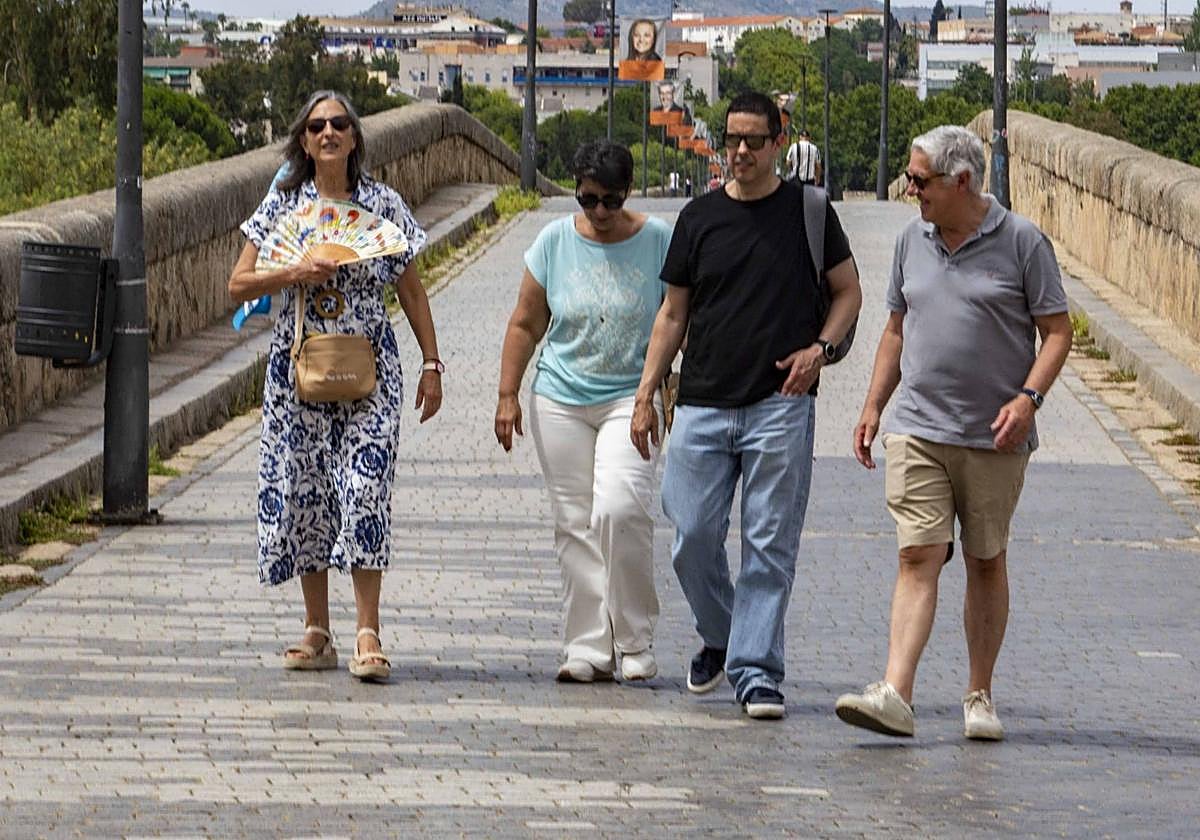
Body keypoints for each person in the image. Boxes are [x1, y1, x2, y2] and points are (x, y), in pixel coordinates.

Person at [835, 125, 1072, 740]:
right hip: (918, 424)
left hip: (994, 435)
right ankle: (896, 692)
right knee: (917, 553)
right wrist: (871, 406)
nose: (909, 190)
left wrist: (1029, 400)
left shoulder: (1022, 242)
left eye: (919, 180)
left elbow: (1057, 332)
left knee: (984, 559)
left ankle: (979, 693)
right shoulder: (911, 240)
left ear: (961, 181)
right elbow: (894, 327)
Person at [630, 92, 862, 719]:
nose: (740, 152)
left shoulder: (810, 212)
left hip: (780, 402)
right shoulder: (699, 218)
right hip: (703, 401)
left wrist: (822, 348)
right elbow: (672, 313)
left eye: (753, 141)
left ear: (778, 142)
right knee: (692, 533)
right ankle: (725, 634)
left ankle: (758, 672)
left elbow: (848, 292)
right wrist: (646, 393)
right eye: (731, 140)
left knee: (768, 542)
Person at [228, 90, 444, 682]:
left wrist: (432, 362)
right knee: (309, 493)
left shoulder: (382, 205)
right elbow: (238, 283)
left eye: (339, 124)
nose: (328, 133)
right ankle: (317, 629)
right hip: (298, 371)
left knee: (365, 489)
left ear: (354, 137)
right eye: (318, 125)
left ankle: (368, 631)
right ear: (304, 140)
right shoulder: (283, 207)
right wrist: (295, 271)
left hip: (371, 371)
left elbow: (412, 289)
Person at [495, 140, 673, 684]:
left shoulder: (660, 241)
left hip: (633, 396)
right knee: (574, 523)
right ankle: (587, 645)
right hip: (560, 397)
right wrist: (507, 394)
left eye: (611, 200)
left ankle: (635, 637)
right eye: (588, 198)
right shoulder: (553, 241)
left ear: (627, 192)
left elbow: (679, 316)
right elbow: (526, 322)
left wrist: (664, 389)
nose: (598, 212)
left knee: (619, 509)